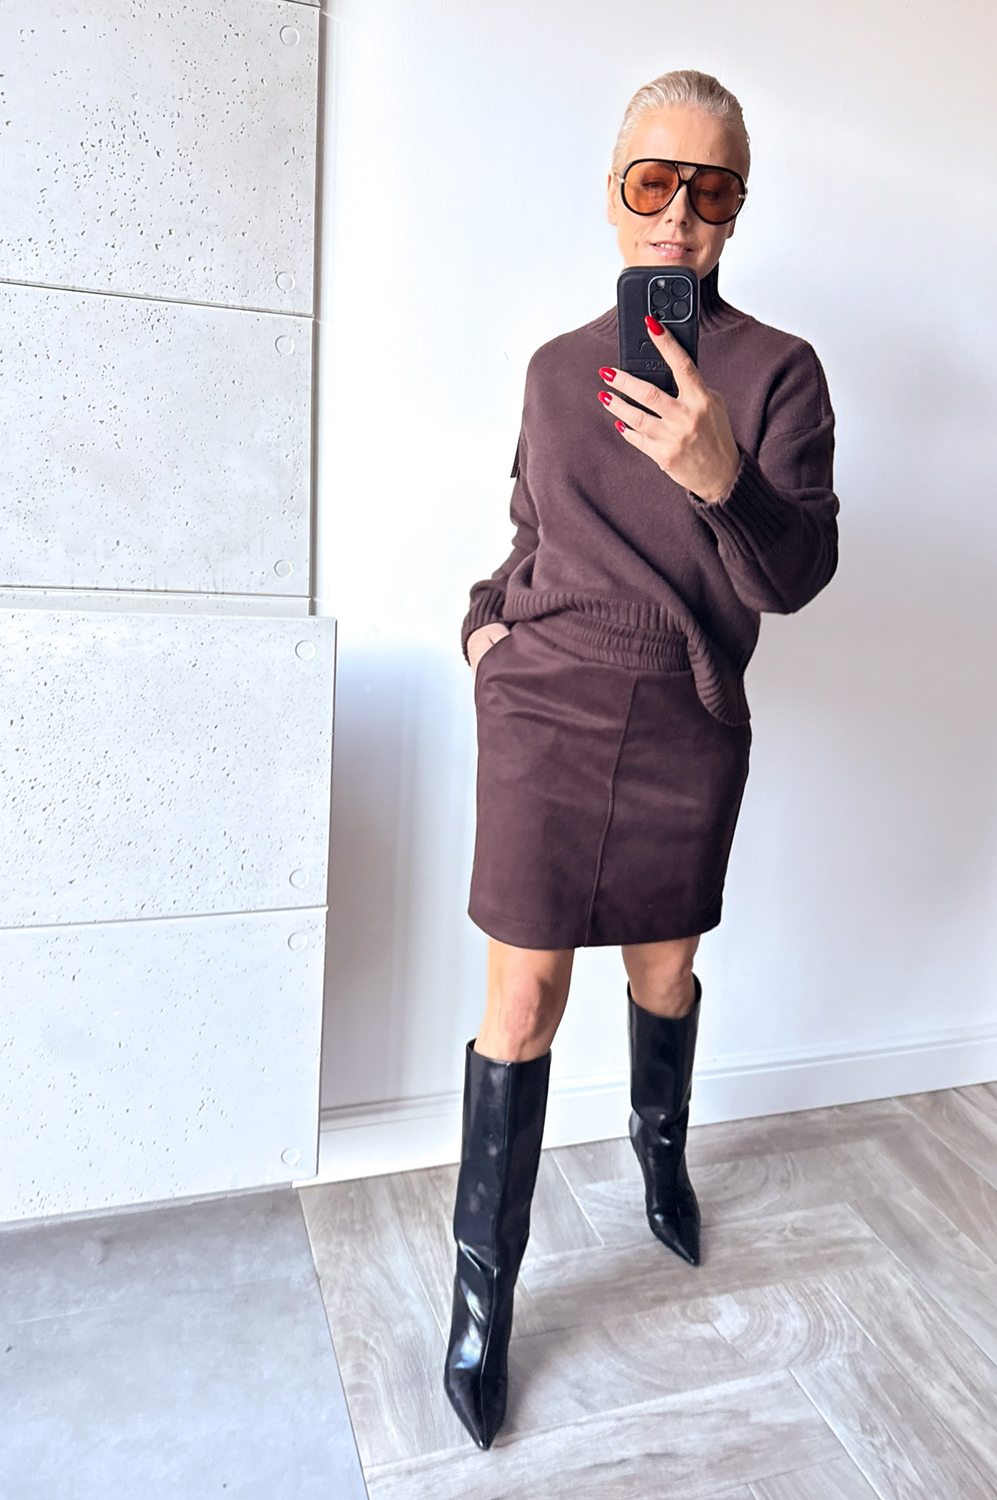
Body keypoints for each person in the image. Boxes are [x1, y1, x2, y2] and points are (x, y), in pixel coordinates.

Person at [443, 69, 839, 1450]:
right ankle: (482, 1301)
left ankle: (658, 1163)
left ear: (737, 209)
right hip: (544, 706)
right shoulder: (557, 369)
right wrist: (484, 628)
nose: (679, 212)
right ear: (614, 195)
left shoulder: (777, 373)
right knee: (525, 997)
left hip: (686, 713)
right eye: (653, 180)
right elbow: (528, 535)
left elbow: (796, 577)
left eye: (710, 187)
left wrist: (723, 474)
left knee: (662, 973)